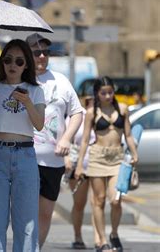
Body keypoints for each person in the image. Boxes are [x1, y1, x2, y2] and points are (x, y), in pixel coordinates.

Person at [0, 39, 45, 252]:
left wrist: (26, 103)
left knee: (27, 222)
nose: (13, 65)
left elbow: (39, 123)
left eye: (19, 61)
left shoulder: (35, 90)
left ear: (26, 64)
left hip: (25, 154)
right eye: (8, 60)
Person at [25, 33, 84, 248]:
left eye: (46, 52)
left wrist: (67, 139)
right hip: (25, 157)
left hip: (53, 161)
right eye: (36, 52)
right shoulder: (19, 79)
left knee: (46, 214)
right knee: (24, 212)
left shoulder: (60, 81)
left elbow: (77, 112)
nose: (42, 56)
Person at [75, 76, 139, 252]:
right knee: (99, 200)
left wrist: (134, 153)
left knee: (116, 199)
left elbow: (129, 134)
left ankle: (114, 233)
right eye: (104, 93)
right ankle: (102, 240)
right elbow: (85, 139)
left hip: (117, 158)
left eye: (110, 92)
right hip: (97, 157)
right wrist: (80, 165)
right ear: (97, 93)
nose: (108, 95)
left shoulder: (123, 109)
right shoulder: (91, 113)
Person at [64, 96, 100, 249]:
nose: (93, 101)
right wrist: (66, 159)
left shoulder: (103, 116)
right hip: (79, 165)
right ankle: (78, 236)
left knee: (97, 202)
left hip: (99, 164)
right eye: (89, 99)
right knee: (79, 203)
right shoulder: (78, 116)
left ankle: (99, 239)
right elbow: (65, 137)